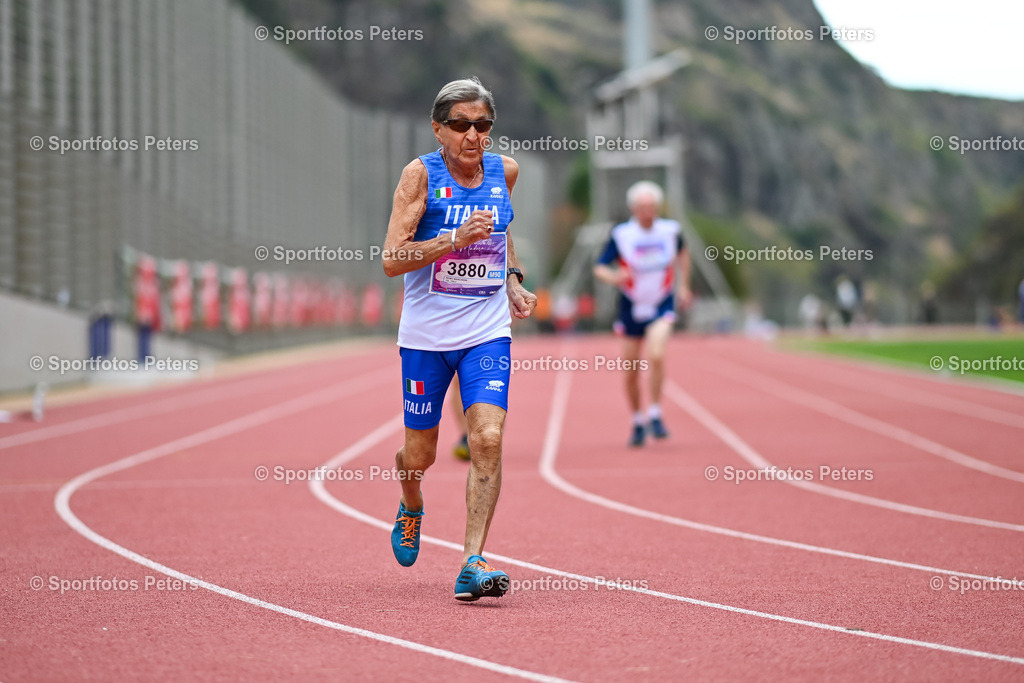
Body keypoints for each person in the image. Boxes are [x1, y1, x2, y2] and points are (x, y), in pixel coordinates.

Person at [381, 77, 537, 601]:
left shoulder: (505, 171)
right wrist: (452, 239)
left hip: (486, 330)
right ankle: (411, 504)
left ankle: (472, 560)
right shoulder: (419, 176)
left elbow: (502, 231)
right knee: (419, 455)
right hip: (426, 336)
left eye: (483, 125)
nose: (473, 135)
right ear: (438, 128)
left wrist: (512, 280)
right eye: (461, 125)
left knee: (487, 438)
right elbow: (391, 260)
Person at [593, 181, 691, 448]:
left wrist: (684, 286)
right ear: (633, 208)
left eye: (651, 206)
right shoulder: (622, 234)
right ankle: (638, 419)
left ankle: (656, 413)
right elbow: (599, 267)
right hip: (631, 305)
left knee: (656, 354)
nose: (647, 211)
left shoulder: (670, 231)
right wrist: (614, 277)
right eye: (642, 207)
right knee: (631, 370)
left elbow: (683, 254)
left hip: (661, 302)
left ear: (657, 207)